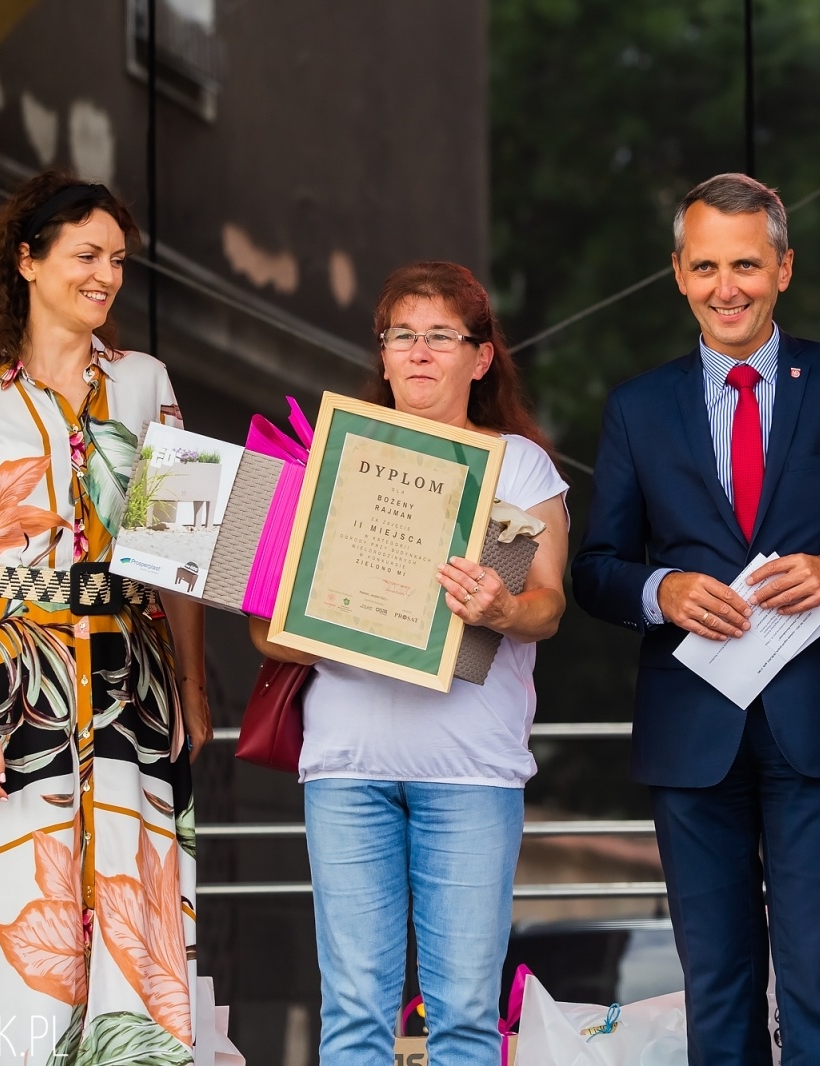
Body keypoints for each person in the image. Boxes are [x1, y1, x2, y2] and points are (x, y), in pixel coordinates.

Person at [572, 173, 820, 1064]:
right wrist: (660, 591)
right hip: (692, 730)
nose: (725, 286)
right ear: (678, 274)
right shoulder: (638, 406)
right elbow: (595, 569)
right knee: (718, 987)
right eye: (705, 266)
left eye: (745, 264)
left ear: (784, 268)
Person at [0, 171, 211, 1063]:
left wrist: (193, 687)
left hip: (132, 686)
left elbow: (180, 557)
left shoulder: (147, 383)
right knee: (15, 904)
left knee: (132, 910)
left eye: (117, 259)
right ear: (28, 261)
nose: (106, 275)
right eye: (86, 254)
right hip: (10, 690)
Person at [249, 261, 569, 1065]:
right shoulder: (323, 459)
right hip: (346, 766)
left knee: (464, 1015)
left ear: (481, 358)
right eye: (402, 336)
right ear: (383, 354)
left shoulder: (518, 465)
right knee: (353, 1013)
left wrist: (501, 609)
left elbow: (548, 608)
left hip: (471, 769)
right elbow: (265, 637)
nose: (420, 352)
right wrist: (338, 609)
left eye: (441, 337)